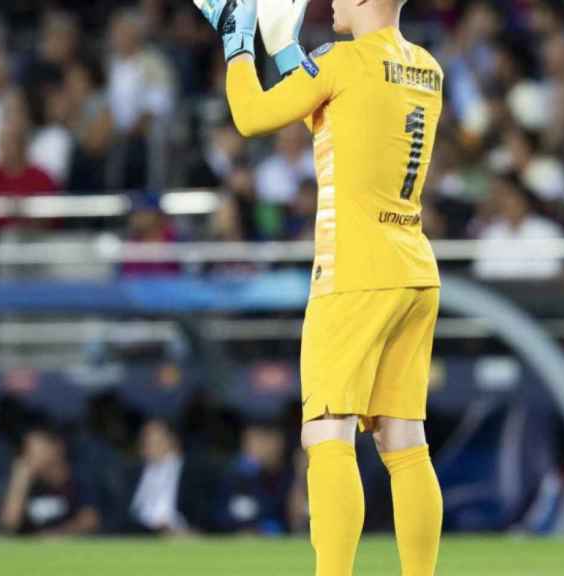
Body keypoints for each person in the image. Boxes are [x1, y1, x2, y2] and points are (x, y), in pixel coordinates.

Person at [194, 0, 444, 573]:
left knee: (327, 433)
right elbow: (328, 112)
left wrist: (238, 42)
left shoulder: (343, 62)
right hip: (412, 267)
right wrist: (283, 47)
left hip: (353, 272)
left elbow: (252, 116)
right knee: (404, 444)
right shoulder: (426, 67)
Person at [0, 425, 101, 536]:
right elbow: (9, 525)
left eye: (39, 450)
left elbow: (89, 521)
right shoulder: (26, 484)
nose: (31, 457)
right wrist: (19, 482)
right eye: (28, 451)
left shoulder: (79, 479)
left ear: (57, 447)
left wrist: (54, 536)